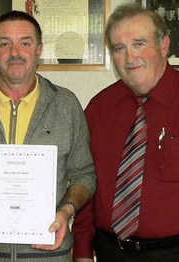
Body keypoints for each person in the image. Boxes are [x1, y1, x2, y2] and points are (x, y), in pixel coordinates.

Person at [0, 10, 96, 261]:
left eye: (25, 43)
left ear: (39, 49)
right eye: (4, 43)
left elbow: (84, 174)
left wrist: (66, 211)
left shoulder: (65, 105)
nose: (15, 52)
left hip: (49, 251)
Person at [72, 4, 179, 261]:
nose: (130, 58)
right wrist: (83, 251)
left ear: (164, 45)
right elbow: (86, 183)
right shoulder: (99, 108)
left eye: (139, 43)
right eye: (119, 48)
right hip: (111, 252)